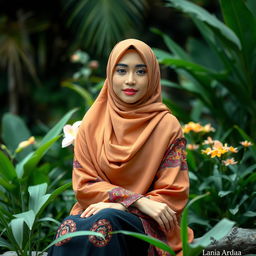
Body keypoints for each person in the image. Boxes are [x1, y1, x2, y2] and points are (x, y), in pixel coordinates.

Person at [48, 39, 194, 256]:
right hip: (98, 212)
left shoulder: (166, 126)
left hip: (149, 223)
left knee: (106, 223)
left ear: (152, 76)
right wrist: (132, 200)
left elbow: (172, 194)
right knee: (69, 227)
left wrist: (125, 207)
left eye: (141, 72)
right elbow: (85, 185)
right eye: (122, 71)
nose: (130, 80)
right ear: (110, 74)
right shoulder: (92, 122)